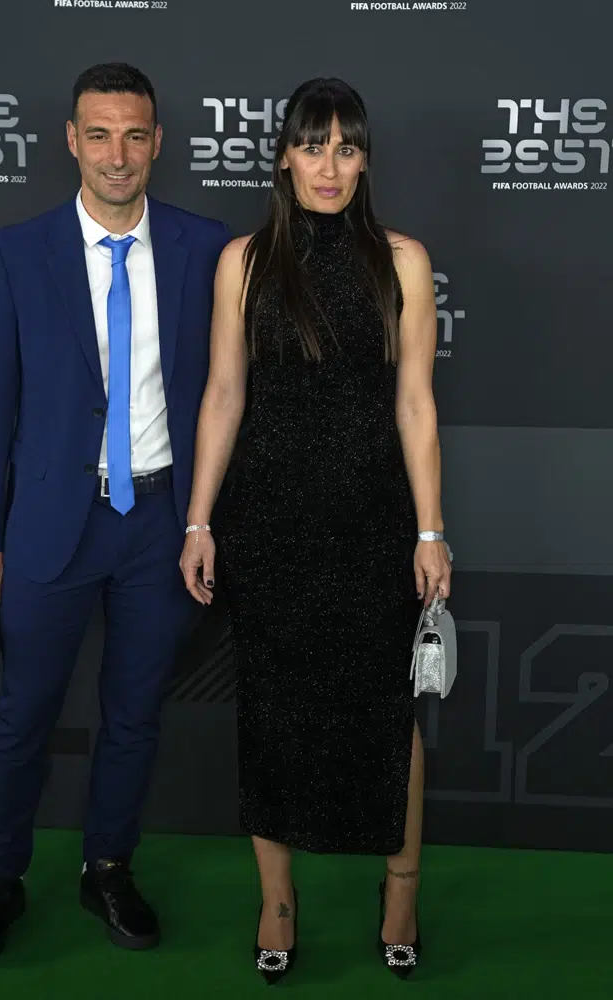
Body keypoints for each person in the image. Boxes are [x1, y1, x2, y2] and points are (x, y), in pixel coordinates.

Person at [0, 62, 230, 965]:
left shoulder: (206, 248)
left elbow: (225, 396)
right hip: (47, 525)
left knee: (135, 713)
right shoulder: (18, 251)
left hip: (159, 525)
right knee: (23, 712)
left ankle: (108, 865)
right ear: (71, 139)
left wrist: (201, 519)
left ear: (158, 142)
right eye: (100, 134)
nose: (118, 154)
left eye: (136, 134)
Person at [180, 77, 451, 982]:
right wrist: (199, 520)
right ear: (285, 155)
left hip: (374, 525)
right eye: (312, 145)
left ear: (365, 157)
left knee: (387, 712)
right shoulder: (245, 262)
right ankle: (278, 900)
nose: (328, 166)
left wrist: (429, 531)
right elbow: (225, 395)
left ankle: (401, 888)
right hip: (273, 524)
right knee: (273, 713)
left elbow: (415, 404)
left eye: (345, 147)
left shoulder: (402, 261)